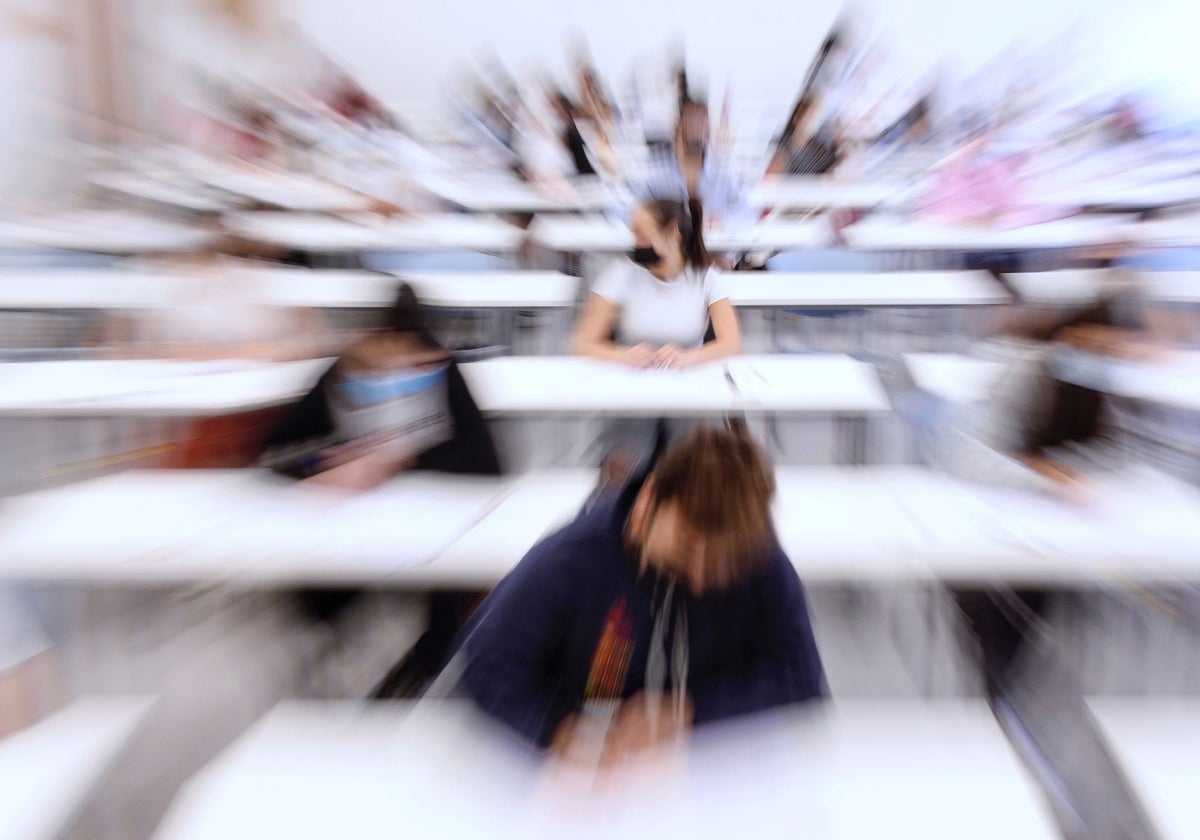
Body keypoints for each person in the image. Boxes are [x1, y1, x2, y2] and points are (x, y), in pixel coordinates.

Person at [456, 426, 826, 759]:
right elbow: (487, 663)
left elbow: (801, 676)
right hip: (591, 780)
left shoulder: (753, 551)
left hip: (714, 773)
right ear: (648, 498)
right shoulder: (574, 557)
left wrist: (689, 713)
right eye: (686, 546)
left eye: (720, 565)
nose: (699, 579)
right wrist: (558, 731)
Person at [259, 283, 502, 696]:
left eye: (409, 355)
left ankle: (420, 675)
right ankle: (330, 664)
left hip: (433, 529)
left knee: (448, 580)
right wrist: (329, 466)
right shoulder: (342, 374)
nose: (394, 366)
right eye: (383, 352)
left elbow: (487, 462)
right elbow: (273, 455)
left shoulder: (442, 373)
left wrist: (402, 462)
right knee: (313, 578)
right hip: (349, 529)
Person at [635, 100, 752, 226]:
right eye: (691, 123)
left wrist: (716, 221)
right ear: (676, 131)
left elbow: (748, 214)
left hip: (713, 244)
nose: (697, 129)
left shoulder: (723, 176)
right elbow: (634, 213)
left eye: (702, 123)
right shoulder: (658, 177)